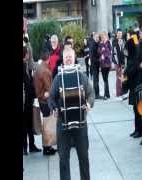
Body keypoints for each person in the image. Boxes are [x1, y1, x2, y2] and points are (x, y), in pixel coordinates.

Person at [48, 47, 95, 180]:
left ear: (74, 58)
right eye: (66, 56)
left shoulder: (82, 76)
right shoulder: (58, 78)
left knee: (84, 157)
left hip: (81, 124)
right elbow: (51, 97)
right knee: (63, 159)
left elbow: (91, 93)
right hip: (63, 124)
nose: (68, 58)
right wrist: (54, 108)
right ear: (63, 59)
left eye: (70, 56)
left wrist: (89, 104)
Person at [33, 50, 57, 155]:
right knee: (47, 124)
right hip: (44, 100)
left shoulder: (39, 68)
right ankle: (47, 147)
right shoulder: (45, 71)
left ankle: (47, 146)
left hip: (41, 99)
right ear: (48, 58)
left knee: (46, 123)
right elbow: (50, 88)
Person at [23, 46, 41, 155]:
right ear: (25, 55)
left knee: (29, 124)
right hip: (25, 102)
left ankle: (31, 146)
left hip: (28, 101)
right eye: (28, 54)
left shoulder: (26, 66)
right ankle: (26, 147)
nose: (29, 56)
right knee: (25, 124)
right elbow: (27, 85)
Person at [124, 30, 141, 138]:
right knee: (136, 110)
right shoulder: (133, 57)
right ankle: (137, 129)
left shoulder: (134, 58)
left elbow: (131, 71)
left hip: (136, 87)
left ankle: (140, 130)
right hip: (133, 87)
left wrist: (125, 73)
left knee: (138, 110)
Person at [98, 32, 112, 100]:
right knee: (105, 80)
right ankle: (107, 94)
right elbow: (99, 52)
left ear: (106, 37)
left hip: (107, 64)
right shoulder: (100, 44)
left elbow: (109, 52)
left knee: (105, 79)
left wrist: (105, 47)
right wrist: (101, 51)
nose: (103, 38)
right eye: (102, 37)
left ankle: (105, 95)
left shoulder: (108, 43)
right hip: (102, 64)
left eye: (104, 37)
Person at [112, 29, 126, 97]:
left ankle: (122, 91)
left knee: (122, 77)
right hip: (117, 62)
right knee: (118, 77)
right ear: (116, 34)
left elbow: (124, 52)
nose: (120, 35)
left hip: (122, 62)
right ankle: (118, 93)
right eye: (119, 33)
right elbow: (115, 53)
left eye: (121, 33)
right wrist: (117, 63)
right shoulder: (114, 41)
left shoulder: (123, 41)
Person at [90, 33, 102, 99]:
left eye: (98, 37)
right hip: (94, 65)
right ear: (94, 38)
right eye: (96, 37)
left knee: (97, 80)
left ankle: (97, 94)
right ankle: (96, 94)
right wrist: (99, 60)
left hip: (97, 65)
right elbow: (92, 57)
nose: (97, 38)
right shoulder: (93, 45)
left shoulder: (98, 44)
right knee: (95, 80)